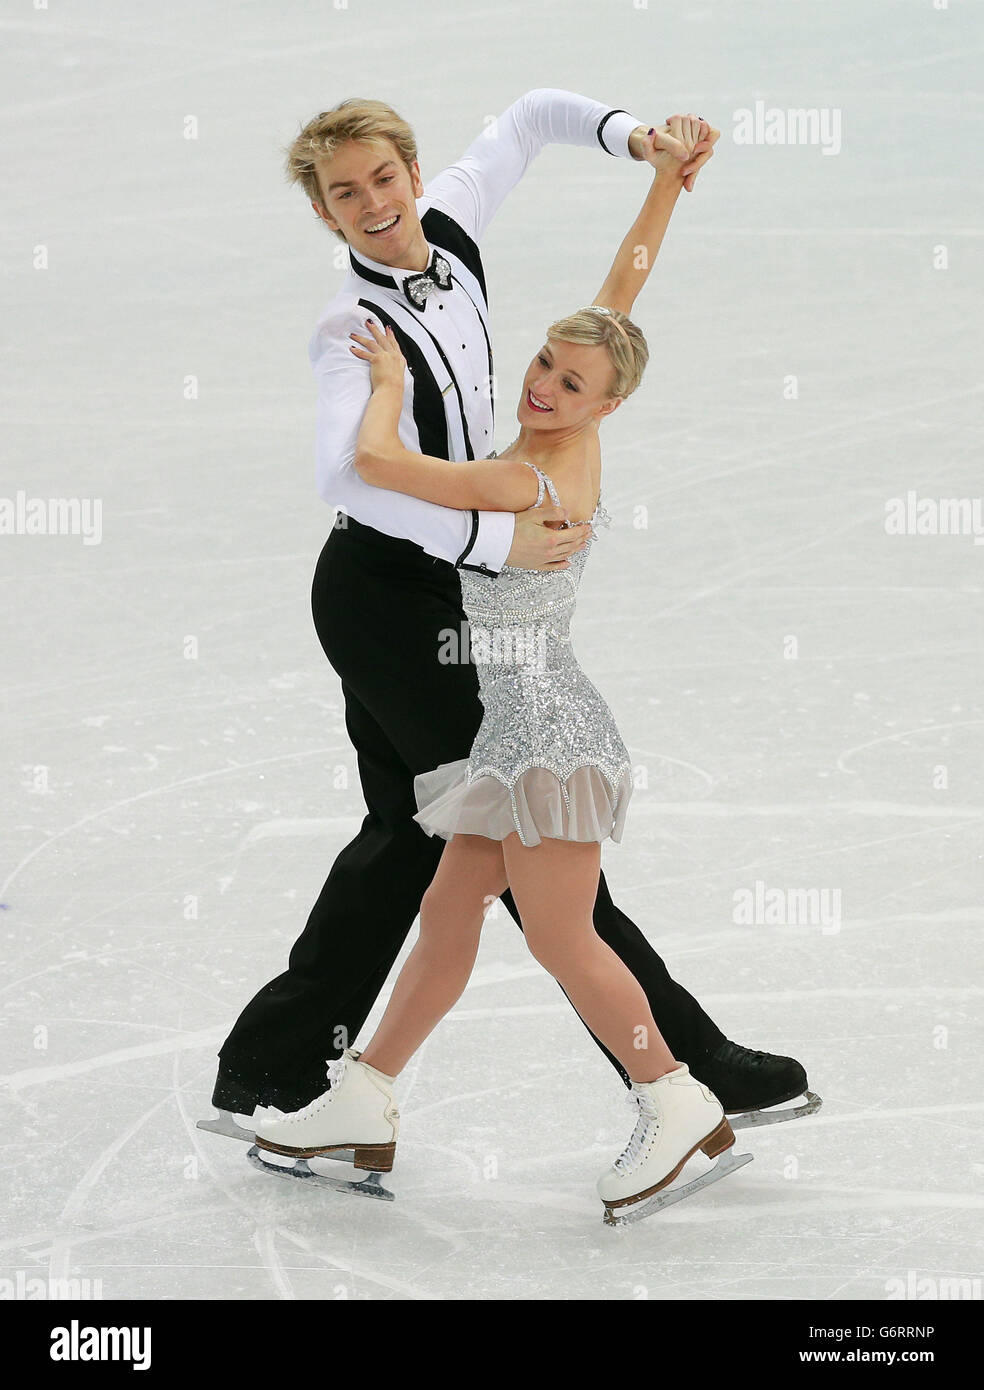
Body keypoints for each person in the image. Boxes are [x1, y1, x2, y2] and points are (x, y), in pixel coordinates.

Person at [211, 90, 811, 1132]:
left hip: (443, 589)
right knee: (522, 845)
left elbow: (531, 121)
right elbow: (348, 479)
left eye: (385, 178)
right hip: (383, 595)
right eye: (344, 194)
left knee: (418, 830)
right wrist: (496, 538)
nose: (374, 204)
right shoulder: (349, 326)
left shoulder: (448, 227)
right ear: (325, 214)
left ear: (412, 172)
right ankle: (681, 1071)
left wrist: (644, 149)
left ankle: (276, 1064)